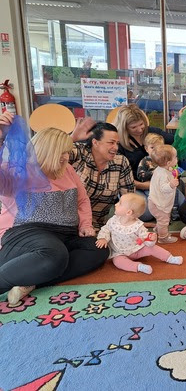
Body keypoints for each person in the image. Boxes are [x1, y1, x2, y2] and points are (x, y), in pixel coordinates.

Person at [0, 114, 108, 305]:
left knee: (98, 250)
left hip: (65, 234)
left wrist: (85, 225)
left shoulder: (67, 170)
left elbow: (82, 200)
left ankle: (32, 280)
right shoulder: (19, 170)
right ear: (48, 151)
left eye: (67, 152)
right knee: (54, 253)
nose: (66, 157)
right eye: (62, 153)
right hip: (27, 234)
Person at [113, 104, 183, 221]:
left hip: (161, 183)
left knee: (181, 206)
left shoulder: (153, 133)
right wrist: (144, 185)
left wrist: (182, 121)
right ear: (124, 127)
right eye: (134, 127)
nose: (140, 129)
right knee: (145, 213)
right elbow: (118, 177)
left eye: (142, 124)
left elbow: (176, 139)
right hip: (135, 185)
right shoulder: (119, 144)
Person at [70, 122, 135, 230]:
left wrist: (128, 225)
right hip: (70, 222)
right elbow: (48, 155)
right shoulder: (79, 152)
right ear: (95, 142)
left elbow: (129, 198)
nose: (115, 147)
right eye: (111, 142)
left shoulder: (121, 162)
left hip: (98, 226)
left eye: (117, 143)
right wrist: (72, 138)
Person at [96, 193, 183, 275]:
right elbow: (106, 229)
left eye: (120, 203)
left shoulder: (138, 226)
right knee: (117, 262)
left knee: (152, 248)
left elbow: (145, 239)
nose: (115, 204)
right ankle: (139, 266)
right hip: (119, 252)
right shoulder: (113, 220)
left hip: (137, 250)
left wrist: (151, 240)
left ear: (128, 212)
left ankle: (170, 258)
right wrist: (103, 238)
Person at [148, 144, 180, 244]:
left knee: (162, 219)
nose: (177, 158)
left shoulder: (162, 169)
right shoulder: (162, 174)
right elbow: (163, 188)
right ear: (169, 162)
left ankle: (158, 230)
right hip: (159, 204)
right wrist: (171, 185)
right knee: (164, 220)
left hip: (156, 201)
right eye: (175, 157)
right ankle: (163, 237)